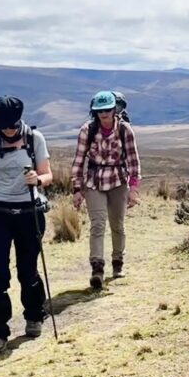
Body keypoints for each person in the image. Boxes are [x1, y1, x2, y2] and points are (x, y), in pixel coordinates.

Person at [0, 95, 53, 356]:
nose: (9, 130)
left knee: (27, 270)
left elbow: (48, 174)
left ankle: (35, 315)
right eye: (4, 125)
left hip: (29, 212)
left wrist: (37, 179)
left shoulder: (35, 139)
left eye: (13, 125)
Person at [70, 90, 142, 289]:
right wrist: (77, 189)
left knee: (117, 224)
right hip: (94, 181)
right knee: (98, 224)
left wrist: (133, 189)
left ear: (114, 110)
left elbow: (134, 161)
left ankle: (118, 262)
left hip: (118, 181)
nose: (103, 114)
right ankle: (97, 269)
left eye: (107, 110)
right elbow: (78, 160)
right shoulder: (88, 130)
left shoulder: (125, 130)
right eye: (99, 111)